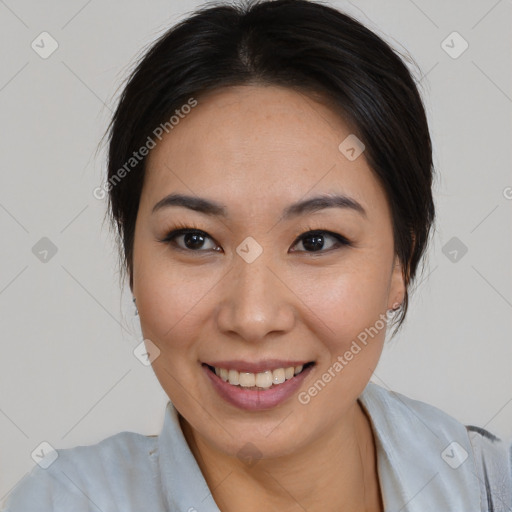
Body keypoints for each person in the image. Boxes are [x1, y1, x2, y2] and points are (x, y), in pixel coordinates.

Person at [3, 0, 511, 510]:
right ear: (132, 259)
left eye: (316, 240)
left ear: (401, 262)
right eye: (194, 239)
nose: (252, 317)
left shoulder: (489, 488)